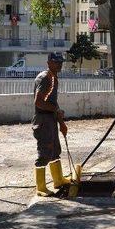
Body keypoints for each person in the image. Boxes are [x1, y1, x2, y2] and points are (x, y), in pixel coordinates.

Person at [32, 52, 71, 196]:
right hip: (43, 121)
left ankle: (58, 180)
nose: (59, 64)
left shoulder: (54, 78)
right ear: (49, 63)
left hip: (51, 119)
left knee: (55, 151)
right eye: (56, 62)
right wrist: (56, 110)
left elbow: (53, 103)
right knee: (45, 152)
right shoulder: (45, 78)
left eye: (61, 62)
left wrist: (61, 123)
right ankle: (41, 188)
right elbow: (39, 102)